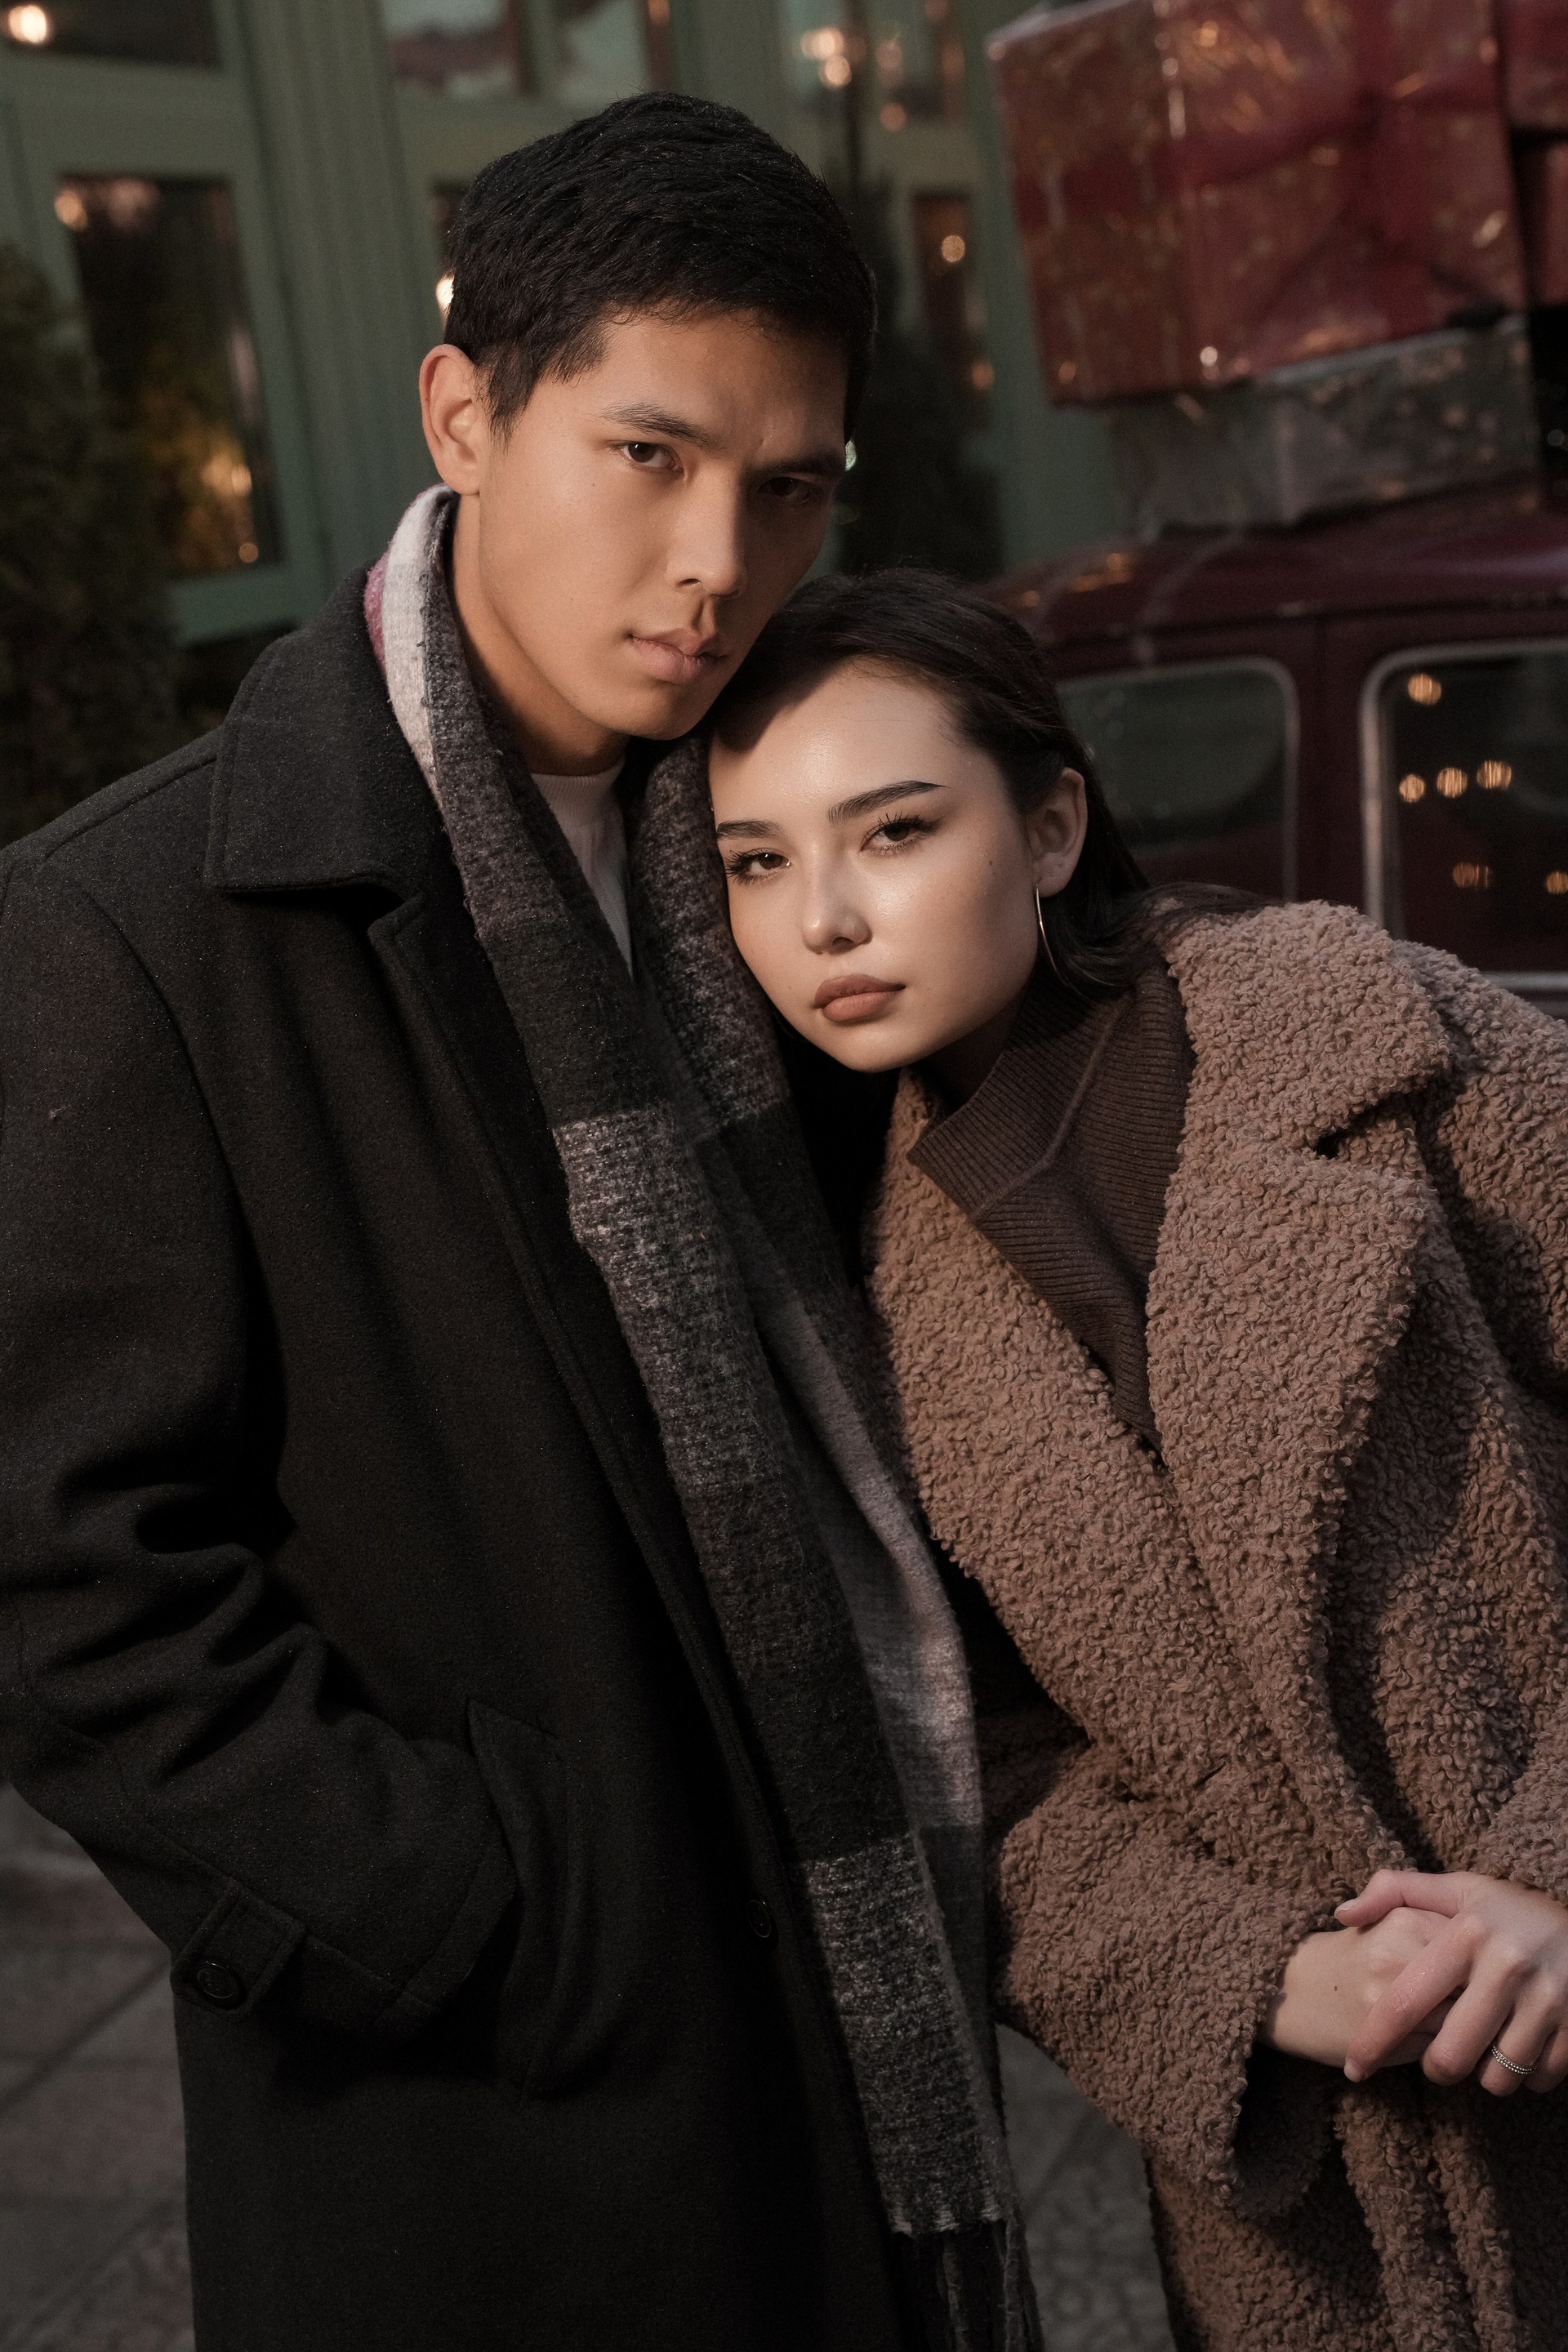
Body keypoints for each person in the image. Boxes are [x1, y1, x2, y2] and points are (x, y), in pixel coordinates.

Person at [0, 102, 1040, 2352]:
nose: (716, 560)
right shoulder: (138, 928)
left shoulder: (788, 829)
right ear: (464, 417)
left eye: (789, 486)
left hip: (861, 2022)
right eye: (649, 456)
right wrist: (489, 1913)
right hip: (505, 2114)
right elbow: (66, 1581)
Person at [699, 566, 1568, 2350]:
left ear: (1051, 825)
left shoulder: (1382, 1047)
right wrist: (1261, 1981)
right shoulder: (848, 1297)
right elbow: (980, 1765)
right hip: (1331, 2216)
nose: (825, 919)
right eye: (755, 862)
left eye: (894, 830)